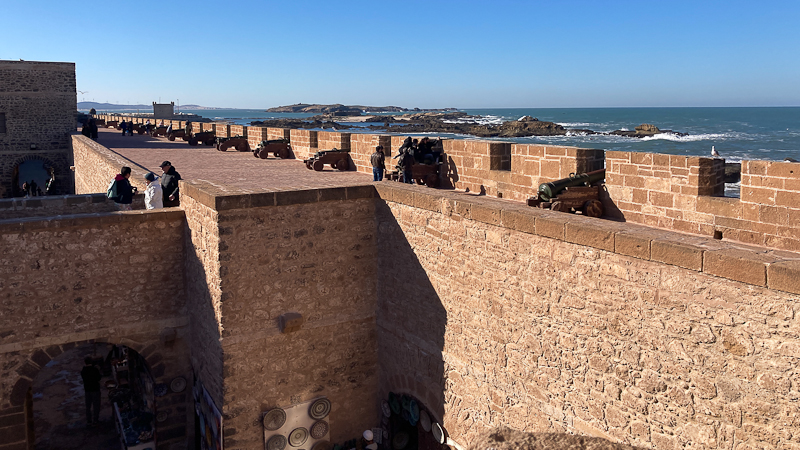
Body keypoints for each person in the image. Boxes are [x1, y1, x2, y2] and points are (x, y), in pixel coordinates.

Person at [81, 356, 102, 426]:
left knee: (88, 406)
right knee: (96, 406)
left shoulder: (83, 371)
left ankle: (89, 420)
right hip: (95, 389)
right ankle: (95, 420)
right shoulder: (94, 370)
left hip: (87, 390)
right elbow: (99, 378)